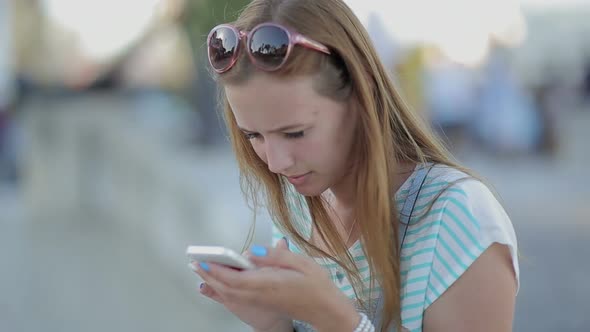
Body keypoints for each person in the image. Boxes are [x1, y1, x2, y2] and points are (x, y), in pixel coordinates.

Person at [189, 0, 519, 331]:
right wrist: (274, 324)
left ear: (361, 96)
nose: (276, 163)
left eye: (294, 133)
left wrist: (335, 319)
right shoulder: (299, 207)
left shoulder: (458, 219)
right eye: (254, 136)